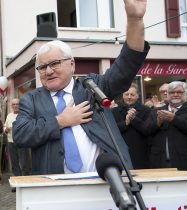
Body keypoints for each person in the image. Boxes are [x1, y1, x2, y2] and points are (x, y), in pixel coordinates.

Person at [13, 0, 149, 175]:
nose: (48, 71)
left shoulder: (92, 87)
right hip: (54, 190)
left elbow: (125, 68)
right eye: (42, 67)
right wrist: (60, 121)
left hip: (106, 185)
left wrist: (135, 19)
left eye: (54, 63)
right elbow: (20, 134)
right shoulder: (31, 99)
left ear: (72, 64)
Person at [146, 81, 187, 171]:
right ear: (167, 94)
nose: (175, 95)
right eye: (172, 92)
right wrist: (157, 123)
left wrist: (174, 119)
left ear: (185, 93)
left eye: (179, 92)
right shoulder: (156, 111)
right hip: (160, 162)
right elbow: (147, 130)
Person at [112, 84, 151, 169]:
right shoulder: (114, 111)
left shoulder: (146, 110)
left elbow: (147, 129)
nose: (129, 97)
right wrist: (126, 122)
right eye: (127, 94)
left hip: (140, 151)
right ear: (123, 95)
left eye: (132, 95)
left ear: (137, 96)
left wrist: (134, 119)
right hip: (121, 151)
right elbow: (112, 130)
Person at [4, 98, 31, 177]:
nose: (15, 106)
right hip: (11, 142)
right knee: (14, 163)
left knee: (25, 163)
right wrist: (6, 129)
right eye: (13, 104)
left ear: (20, 105)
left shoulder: (25, 114)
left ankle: (26, 182)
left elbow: (29, 127)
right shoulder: (9, 115)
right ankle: (17, 182)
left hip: (22, 142)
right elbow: (5, 126)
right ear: (11, 106)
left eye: (17, 104)